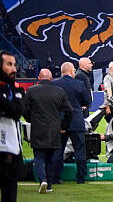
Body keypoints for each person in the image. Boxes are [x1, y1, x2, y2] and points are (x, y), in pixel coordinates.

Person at [22, 69, 73, 194]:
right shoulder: (59, 91)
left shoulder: (31, 91)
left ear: (39, 77)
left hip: (38, 129)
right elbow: (70, 110)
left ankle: (42, 180)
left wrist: (31, 119)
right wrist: (63, 126)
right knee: (51, 159)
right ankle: (49, 184)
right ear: (51, 78)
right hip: (54, 129)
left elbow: (24, 109)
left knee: (39, 157)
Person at [52, 61, 90, 184]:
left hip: (60, 121)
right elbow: (87, 100)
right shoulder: (78, 84)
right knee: (80, 149)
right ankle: (81, 177)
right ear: (72, 71)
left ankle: (56, 177)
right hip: (76, 120)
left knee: (58, 149)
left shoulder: (55, 84)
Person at [0, 51, 25, 200]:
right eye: (9, 64)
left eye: (14, 64)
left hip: (11, 152)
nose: (14, 69)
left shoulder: (15, 88)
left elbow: (17, 111)